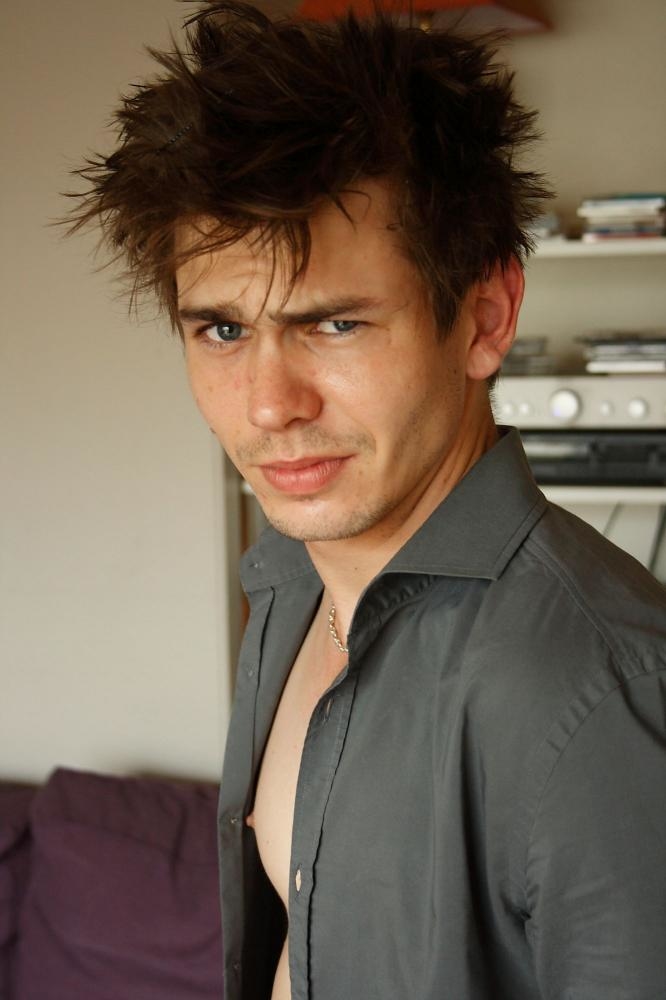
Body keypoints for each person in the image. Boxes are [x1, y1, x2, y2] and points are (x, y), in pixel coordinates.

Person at [68, 3, 666, 998]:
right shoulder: (290, 583)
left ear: (485, 318)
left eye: (335, 324)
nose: (269, 405)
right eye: (222, 330)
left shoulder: (605, 694)